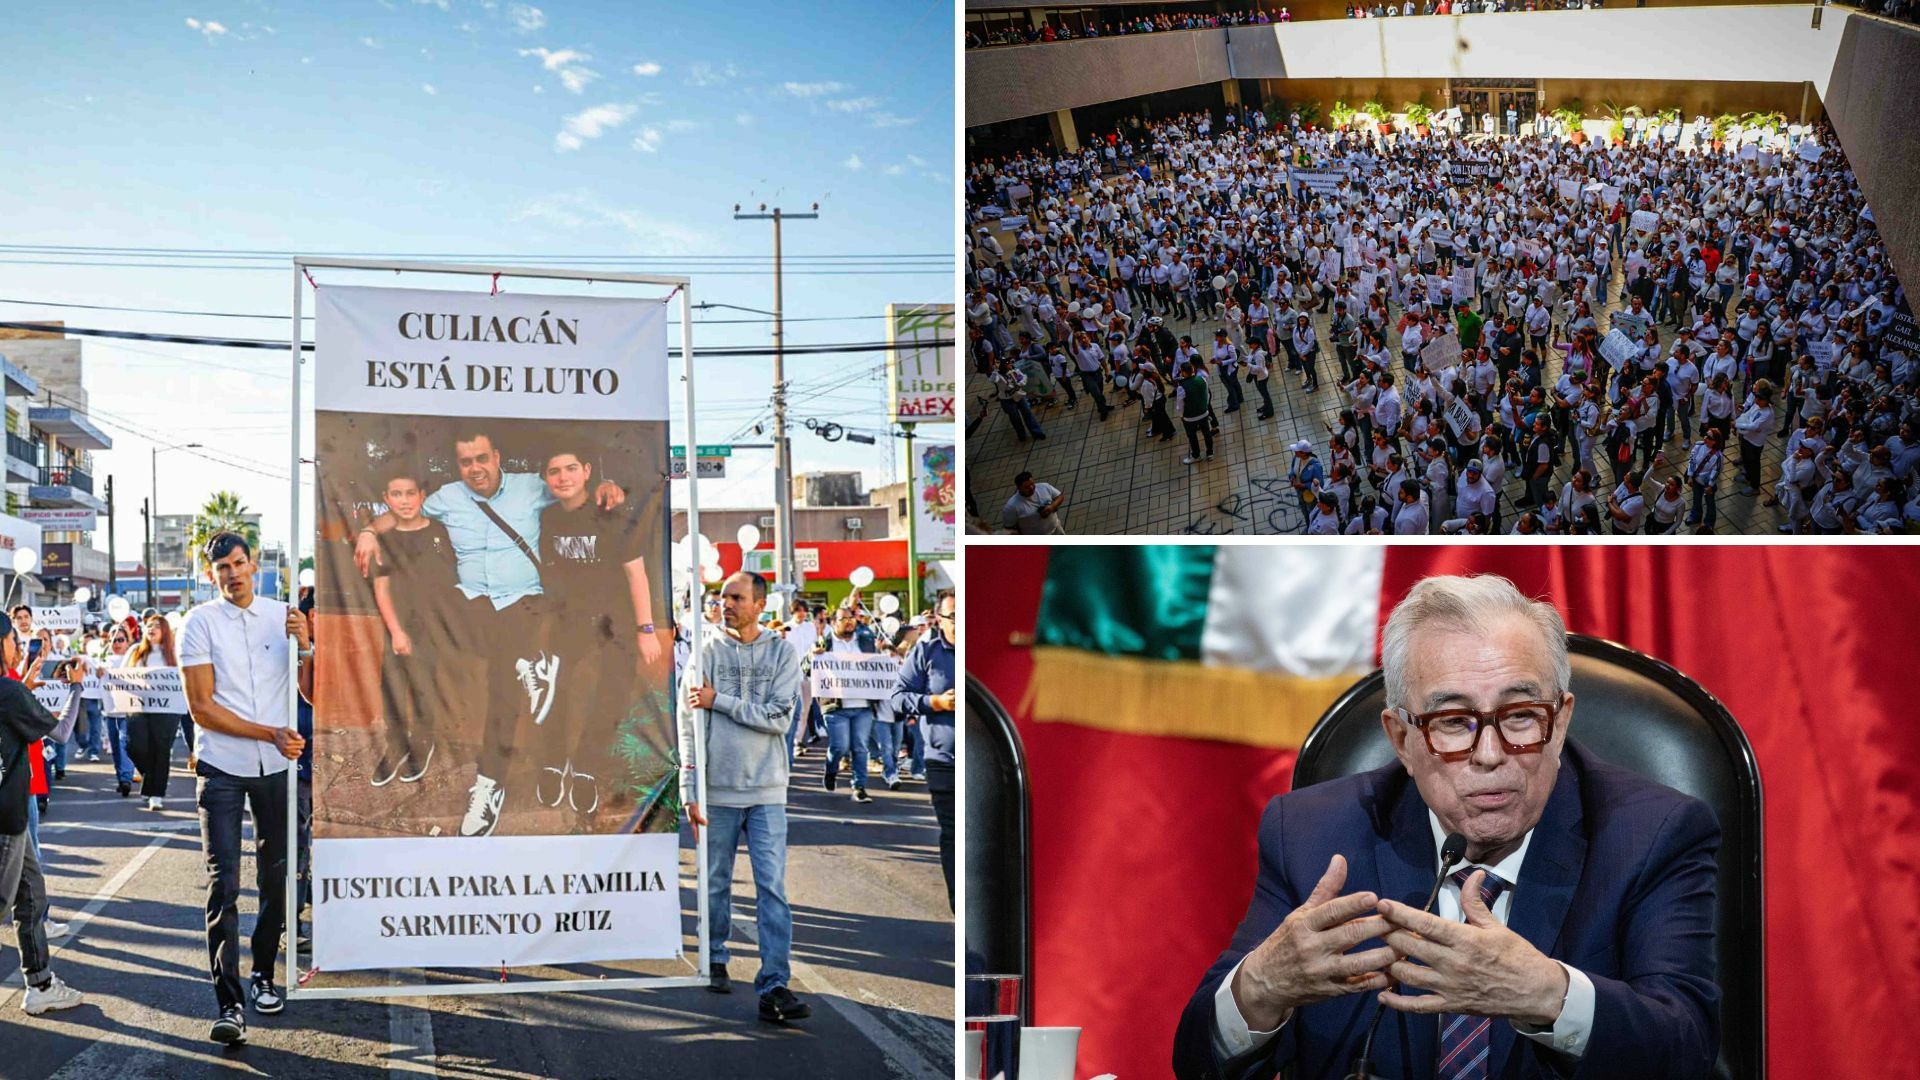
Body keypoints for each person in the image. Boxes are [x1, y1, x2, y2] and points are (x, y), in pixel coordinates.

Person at [1173, 574, 1719, 1079]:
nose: (1489, 754)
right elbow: (1197, 1062)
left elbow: (1688, 1051)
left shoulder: (1653, 835)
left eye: (1521, 715)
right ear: (1401, 739)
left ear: (1561, 722)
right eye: (1453, 722)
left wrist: (1548, 995)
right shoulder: (1314, 834)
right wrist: (1263, 986)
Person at [354, 428, 626, 838]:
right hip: (470, 603)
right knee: (441, 618)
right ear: (458, 465)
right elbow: (403, 513)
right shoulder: (447, 497)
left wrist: (607, 485)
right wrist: (371, 530)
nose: (475, 468)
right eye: (466, 461)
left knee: (504, 688)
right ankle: (530, 665)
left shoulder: (532, 488)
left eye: (482, 458)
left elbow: (575, 491)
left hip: (523, 600)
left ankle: (489, 785)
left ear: (497, 456)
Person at [180, 531, 312, 1045]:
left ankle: (262, 976)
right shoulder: (199, 623)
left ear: (254, 565)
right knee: (224, 884)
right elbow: (202, 709)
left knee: (279, 875)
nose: (233, 573)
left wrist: (305, 646)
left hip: (277, 768)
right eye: (222, 568)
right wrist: (270, 734)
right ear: (211, 575)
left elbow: (308, 691)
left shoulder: (282, 616)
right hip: (222, 768)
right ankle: (228, 1002)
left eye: (239, 563)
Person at [680, 571, 810, 1024]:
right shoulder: (707, 652)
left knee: (771, 888)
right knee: (714, 882)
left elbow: (778, 718)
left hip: (767, 790)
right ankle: (714, 957)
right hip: (716, 791)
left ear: (760, 603)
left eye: (736, 597)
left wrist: (722, 701)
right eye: (722, 596)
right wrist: (688, 787)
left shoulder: (782, 652)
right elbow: (686, 724)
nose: (725, 603)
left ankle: (775, 982)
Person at [535, 445, 665, 816]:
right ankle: (554, 761)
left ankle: (586, 767)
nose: (563, 477)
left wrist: (645, 628)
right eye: (555, 470)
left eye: (571, 468)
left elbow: (635, 573)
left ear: (587, 470)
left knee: (611, 696)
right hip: (568, 620)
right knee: (554, 692)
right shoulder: (547, 519)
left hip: (617, 623)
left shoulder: (612, 515)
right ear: (546, 478)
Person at [0, 618, 84, 1016]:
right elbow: (63, 732)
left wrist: (27, 689)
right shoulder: (8, 692)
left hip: (13, 813)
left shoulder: (12, 692)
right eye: (15, 640)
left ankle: (41, 983)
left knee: (32, 896)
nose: (20, 647)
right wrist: (76, 685)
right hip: (5, 818)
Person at [368, 458, 458, 786]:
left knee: (425, 686)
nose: (404, 500)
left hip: (433, 628)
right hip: (398, 627)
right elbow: (382, 587)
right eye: (396, 494)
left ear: (421, 496)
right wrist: (396, 631)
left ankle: (423, 742)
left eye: (410, 493)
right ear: (386, 498)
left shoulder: (440, 532)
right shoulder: (386, 539)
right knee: (392, 687)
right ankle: (394, 745)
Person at [893, 593, 956, 908]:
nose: (960, 623)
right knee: (954, 834)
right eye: (954, 617)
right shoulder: (926, 652)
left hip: (990, 763)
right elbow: (898, 697)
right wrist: (935, 702)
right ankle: (960, 907)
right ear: (939, 619)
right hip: (944, 760)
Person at [814, 603, 885, 801]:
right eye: (843, 619)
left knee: (860, 747)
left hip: (862, 705)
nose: (848, 622)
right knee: (839, 746)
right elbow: (806, 668)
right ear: (833, 622)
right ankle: (831, 769)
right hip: (836, 705)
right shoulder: (823, 643)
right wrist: (812, 656)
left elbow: (878, 665)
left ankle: (859, 787)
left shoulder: (865, 642)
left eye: (851, 618)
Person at [124, 613, 188, 812]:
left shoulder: (175, 653)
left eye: (156, 626)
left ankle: (156, 794)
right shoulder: (136, 652)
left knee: (160, 750)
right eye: (148, 625)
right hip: (139, 706)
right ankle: (150, 778)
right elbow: (122, 673)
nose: (151, 629)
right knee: (135, 746)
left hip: (167, 710)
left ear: (165, 631)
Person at [1002, 471, 1068, 534]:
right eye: (1027, 487)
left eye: (1032, 483)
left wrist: (1052, 507)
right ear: (1019, 488)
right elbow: (1009, 528)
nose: (1031, 487)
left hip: (1056, 530)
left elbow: (1060, 496)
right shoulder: (1011, 507)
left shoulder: (1044, 487)